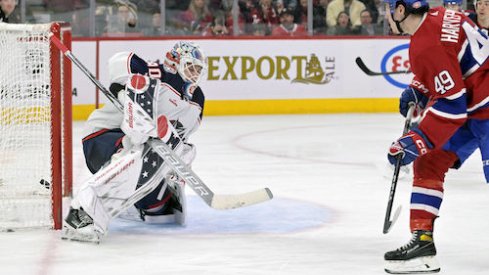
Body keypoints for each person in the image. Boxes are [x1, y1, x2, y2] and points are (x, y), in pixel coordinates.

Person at [61, 41, 207, 243]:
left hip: (143, 148)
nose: (195, 73)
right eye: (191, 67)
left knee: (159, 210)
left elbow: (181, 136)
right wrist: (123, 92)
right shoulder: (156, 73)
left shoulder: (197, 99)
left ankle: (129, 206)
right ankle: (81, 213)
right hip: (103, 136)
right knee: (138, 150)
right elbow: (121, 61)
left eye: (198, 69)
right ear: (175, 61)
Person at [384, 0, 489, 273]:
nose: (385, 14)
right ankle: (423, 245)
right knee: (428, 162)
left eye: (388, 8)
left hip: (481, 105)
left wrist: (416, 140)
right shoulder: (439, 16)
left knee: (424, 150)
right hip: (474, 105)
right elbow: (452, 61)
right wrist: (421, 85)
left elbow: (451, 106)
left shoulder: (425, 45)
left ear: (400, 11)